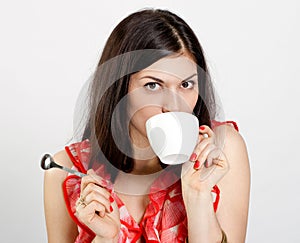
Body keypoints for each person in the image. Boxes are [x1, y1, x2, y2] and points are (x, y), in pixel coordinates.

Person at [44, 8, 250, 243]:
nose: (174, 106)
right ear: (120, 89)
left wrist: (198, 196)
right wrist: (106, 239)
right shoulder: (65, 171)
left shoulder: (221, 151)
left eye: (186, 84)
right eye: (153, 85)